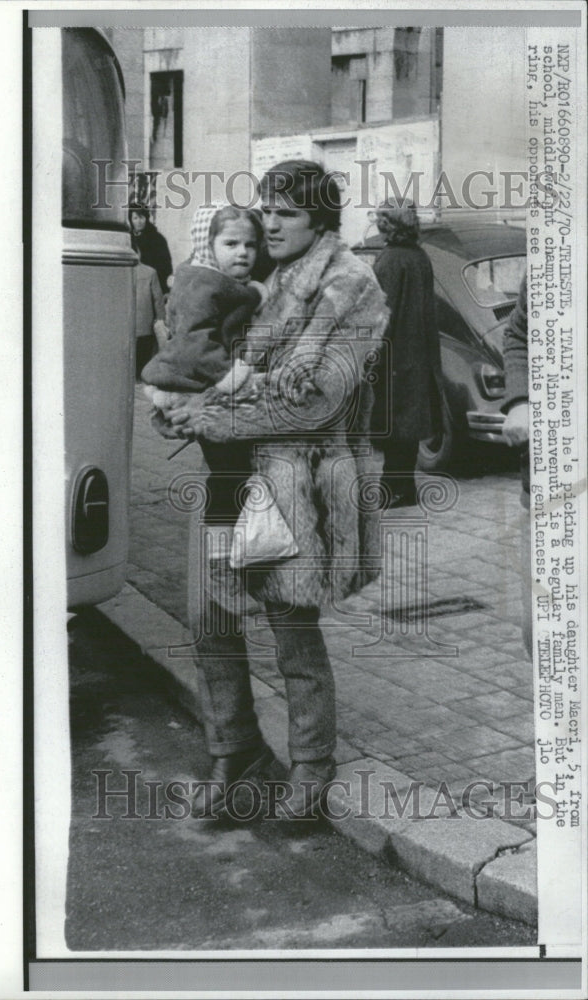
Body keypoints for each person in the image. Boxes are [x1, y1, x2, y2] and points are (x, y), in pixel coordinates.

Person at [156, 160, 390, 820]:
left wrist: (203, 410)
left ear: (319, 216)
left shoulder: (349, 284)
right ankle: (236, 752)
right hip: (227, 481)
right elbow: (198, 362)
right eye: (264, 209)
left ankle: (312, 765)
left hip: (292, 487)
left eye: (284, 210)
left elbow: (313, 402)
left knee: (292, 636)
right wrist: (173, 399)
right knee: (209, 626)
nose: (268, 221)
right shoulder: (259, 278)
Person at [142, 203, 268, 520]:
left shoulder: (222, 282)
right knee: (230, 474)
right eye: (231, 243)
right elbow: (195, 343)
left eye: (250, 244)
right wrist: (231, 373)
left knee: (233, 472)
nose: (243, 252)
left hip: (207, 391)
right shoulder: (202, 283)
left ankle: (225, 542)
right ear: (207, 245)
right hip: (200, 388)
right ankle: (221, 546)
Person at [370, 200, 442, 508]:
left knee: (392, 422)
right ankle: (402, 486)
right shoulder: (420, 256)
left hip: (394, 355)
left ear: (387, 225)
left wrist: (370, 352)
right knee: (408, 425)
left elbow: (381, 313)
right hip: (418, 352)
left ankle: (395, 488)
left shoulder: (388, 260)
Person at [500, 276, 531, 656]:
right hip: (546, 482)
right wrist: (520, 399)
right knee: (538, 628)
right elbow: (519, 334)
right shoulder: (552, 252)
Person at [133, 251, 167, 379]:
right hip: (145, 322)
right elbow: (157, 299)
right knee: (144, 353)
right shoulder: (150, 272)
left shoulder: (119, 271)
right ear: (139, 253)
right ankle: (140, 378)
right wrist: (161, 318)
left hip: (124, 323)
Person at [129, 202, 173, 295]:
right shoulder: (127, 238)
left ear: (146, 218)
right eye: (135, 218)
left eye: (142, 217)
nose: (139, 221)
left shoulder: (157, 239)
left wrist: (163, 290)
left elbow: (165, 266)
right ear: (130, 220)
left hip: (152, 285)